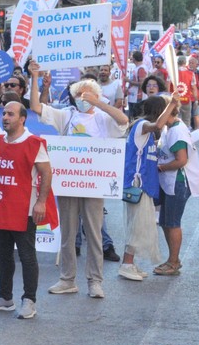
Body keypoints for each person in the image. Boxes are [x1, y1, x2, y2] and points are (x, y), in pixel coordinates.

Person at [32, 72, 128, 299]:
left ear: (97, 96)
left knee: (94, 233)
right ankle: (67, 279)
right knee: (68, 232)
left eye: (88, 96)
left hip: (94, 183)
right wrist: (34, 76)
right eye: (80, 96)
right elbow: (37, 107)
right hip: (69, 182)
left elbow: (123, 121)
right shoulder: (67, 116)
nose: (83, 100)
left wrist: (98, 103)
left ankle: (95, 281)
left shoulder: (103, 119)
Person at [0, 101, 56, 320]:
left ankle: (29, 300)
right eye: (4, 113)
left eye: (10, 114)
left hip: (24, 211)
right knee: (4, 257)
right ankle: (5, 298)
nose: (5, 117)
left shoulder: (34, 143)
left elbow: (47, 173)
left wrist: (41, 202)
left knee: (27, 257)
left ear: (22, 118)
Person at [118, 96, 173, 281]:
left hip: (144, 185)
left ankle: (130, 263)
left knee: (139, 225)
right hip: (137, 184)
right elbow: (158, 125)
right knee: (136, 226)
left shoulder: (146, 132)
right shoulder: (141, 125)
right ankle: (126, 264)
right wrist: (172, 104)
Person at [154, 99, 199, 276]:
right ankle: (172, 259)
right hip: (170, 181)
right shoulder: (170, 128)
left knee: (172, 223)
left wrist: (161, 167)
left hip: (178, 181)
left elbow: (181, 160)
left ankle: (173, 262)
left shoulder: (176, 131)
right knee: (166, 221)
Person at [125, 50, 147, 118]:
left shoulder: (141, 68)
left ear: (134, 58)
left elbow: (142, 83)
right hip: (133, 97)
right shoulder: (137, 68)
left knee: (136, 117)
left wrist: (129, 81)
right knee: (132, 117)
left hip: (138, 98)